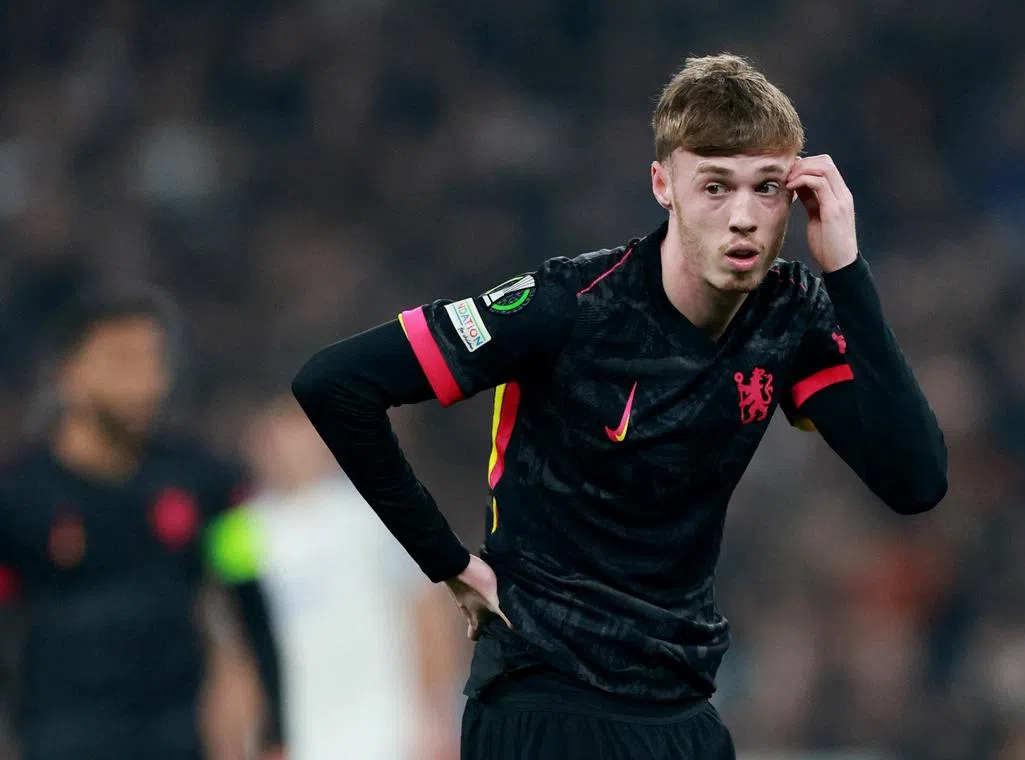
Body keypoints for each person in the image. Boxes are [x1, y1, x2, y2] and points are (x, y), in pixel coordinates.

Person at [291, 53, 948, 759]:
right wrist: (446, 560)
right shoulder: (568, 305)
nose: (743, 218)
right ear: (664, 184)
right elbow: (335, 383)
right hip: (547, 703)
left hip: (681, 710)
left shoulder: (789, 312)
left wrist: (846, 271)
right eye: (715, 186)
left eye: (766, 188)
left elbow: (915, 482)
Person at [0, 285, 285, 760]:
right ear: (68, 374)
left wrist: (276, 731)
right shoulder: (17, 498)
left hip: (176, 738)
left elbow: (251, 598)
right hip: (58, 740)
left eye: (155, 361)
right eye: (122, 362)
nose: (146, 383)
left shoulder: (211, 485)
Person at [218, 393, 461, 760]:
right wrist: (240, 741)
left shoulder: (375, 513)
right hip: (294, 739)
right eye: (278, 433)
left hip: (388, 732)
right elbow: (236, 649)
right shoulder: (237, 534)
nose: (290, 448)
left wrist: (438, 714)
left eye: (301, 432)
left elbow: (427, 611)